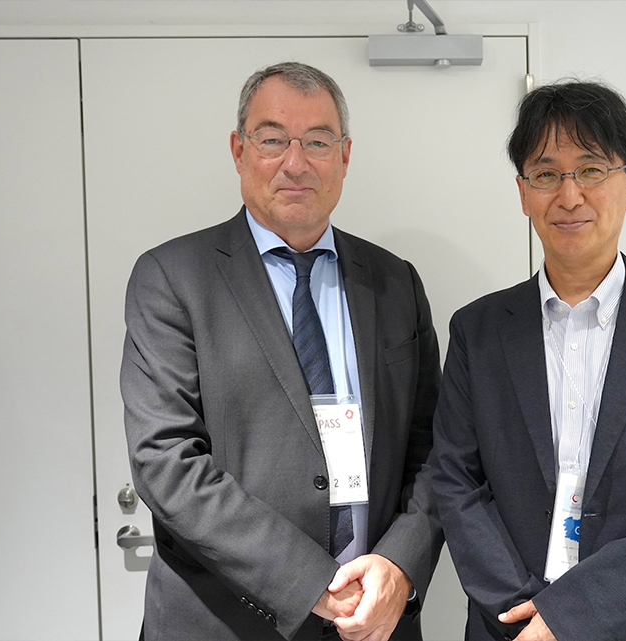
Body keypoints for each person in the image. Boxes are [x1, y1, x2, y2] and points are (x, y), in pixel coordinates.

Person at [121, 62, 442, 641]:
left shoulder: (395, 282)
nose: (296, 163)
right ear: (238, 150)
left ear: (344, 156)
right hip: (223, 622)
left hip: (375, 622)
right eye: (272, 140)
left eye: (318, 141)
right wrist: (311, 584)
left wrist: (400, 565)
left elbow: (433, 448)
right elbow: (166, 461)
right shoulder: (172, 278)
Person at [431, 79, 626, 641]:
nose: (569, 195)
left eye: (591, 169)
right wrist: (524, 616)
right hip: (513, 622)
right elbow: (456, 482)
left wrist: (571, 617)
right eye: (547, 174)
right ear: (523, 192)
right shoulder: (477, 331)